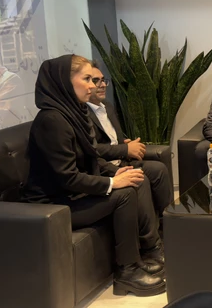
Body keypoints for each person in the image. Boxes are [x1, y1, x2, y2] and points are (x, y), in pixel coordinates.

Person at [21, 54, 165, 297]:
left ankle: (146, 253)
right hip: (54, 204)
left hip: (73, 194)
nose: (92, 85)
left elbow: (92, 157)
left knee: (134, 179)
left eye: (93, 79)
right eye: (86, 79)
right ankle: (127, 272)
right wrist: (112, 182)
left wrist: (116, 172)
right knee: (124, 194)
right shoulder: (52, 120)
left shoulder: (72, 113)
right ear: (65, 81)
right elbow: (67, 177)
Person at [87, 63, 173, 248]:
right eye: (95, 80)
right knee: (140, 179)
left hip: (121, 161)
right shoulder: (83, 113)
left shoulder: (107, 106)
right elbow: (91, 149)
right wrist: (124, 149)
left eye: (103, 80)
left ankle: (169, 226)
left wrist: (125, 143)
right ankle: (151, 245)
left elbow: (113, 138)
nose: (102, 85)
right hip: (104, 167)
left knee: (159, 169)